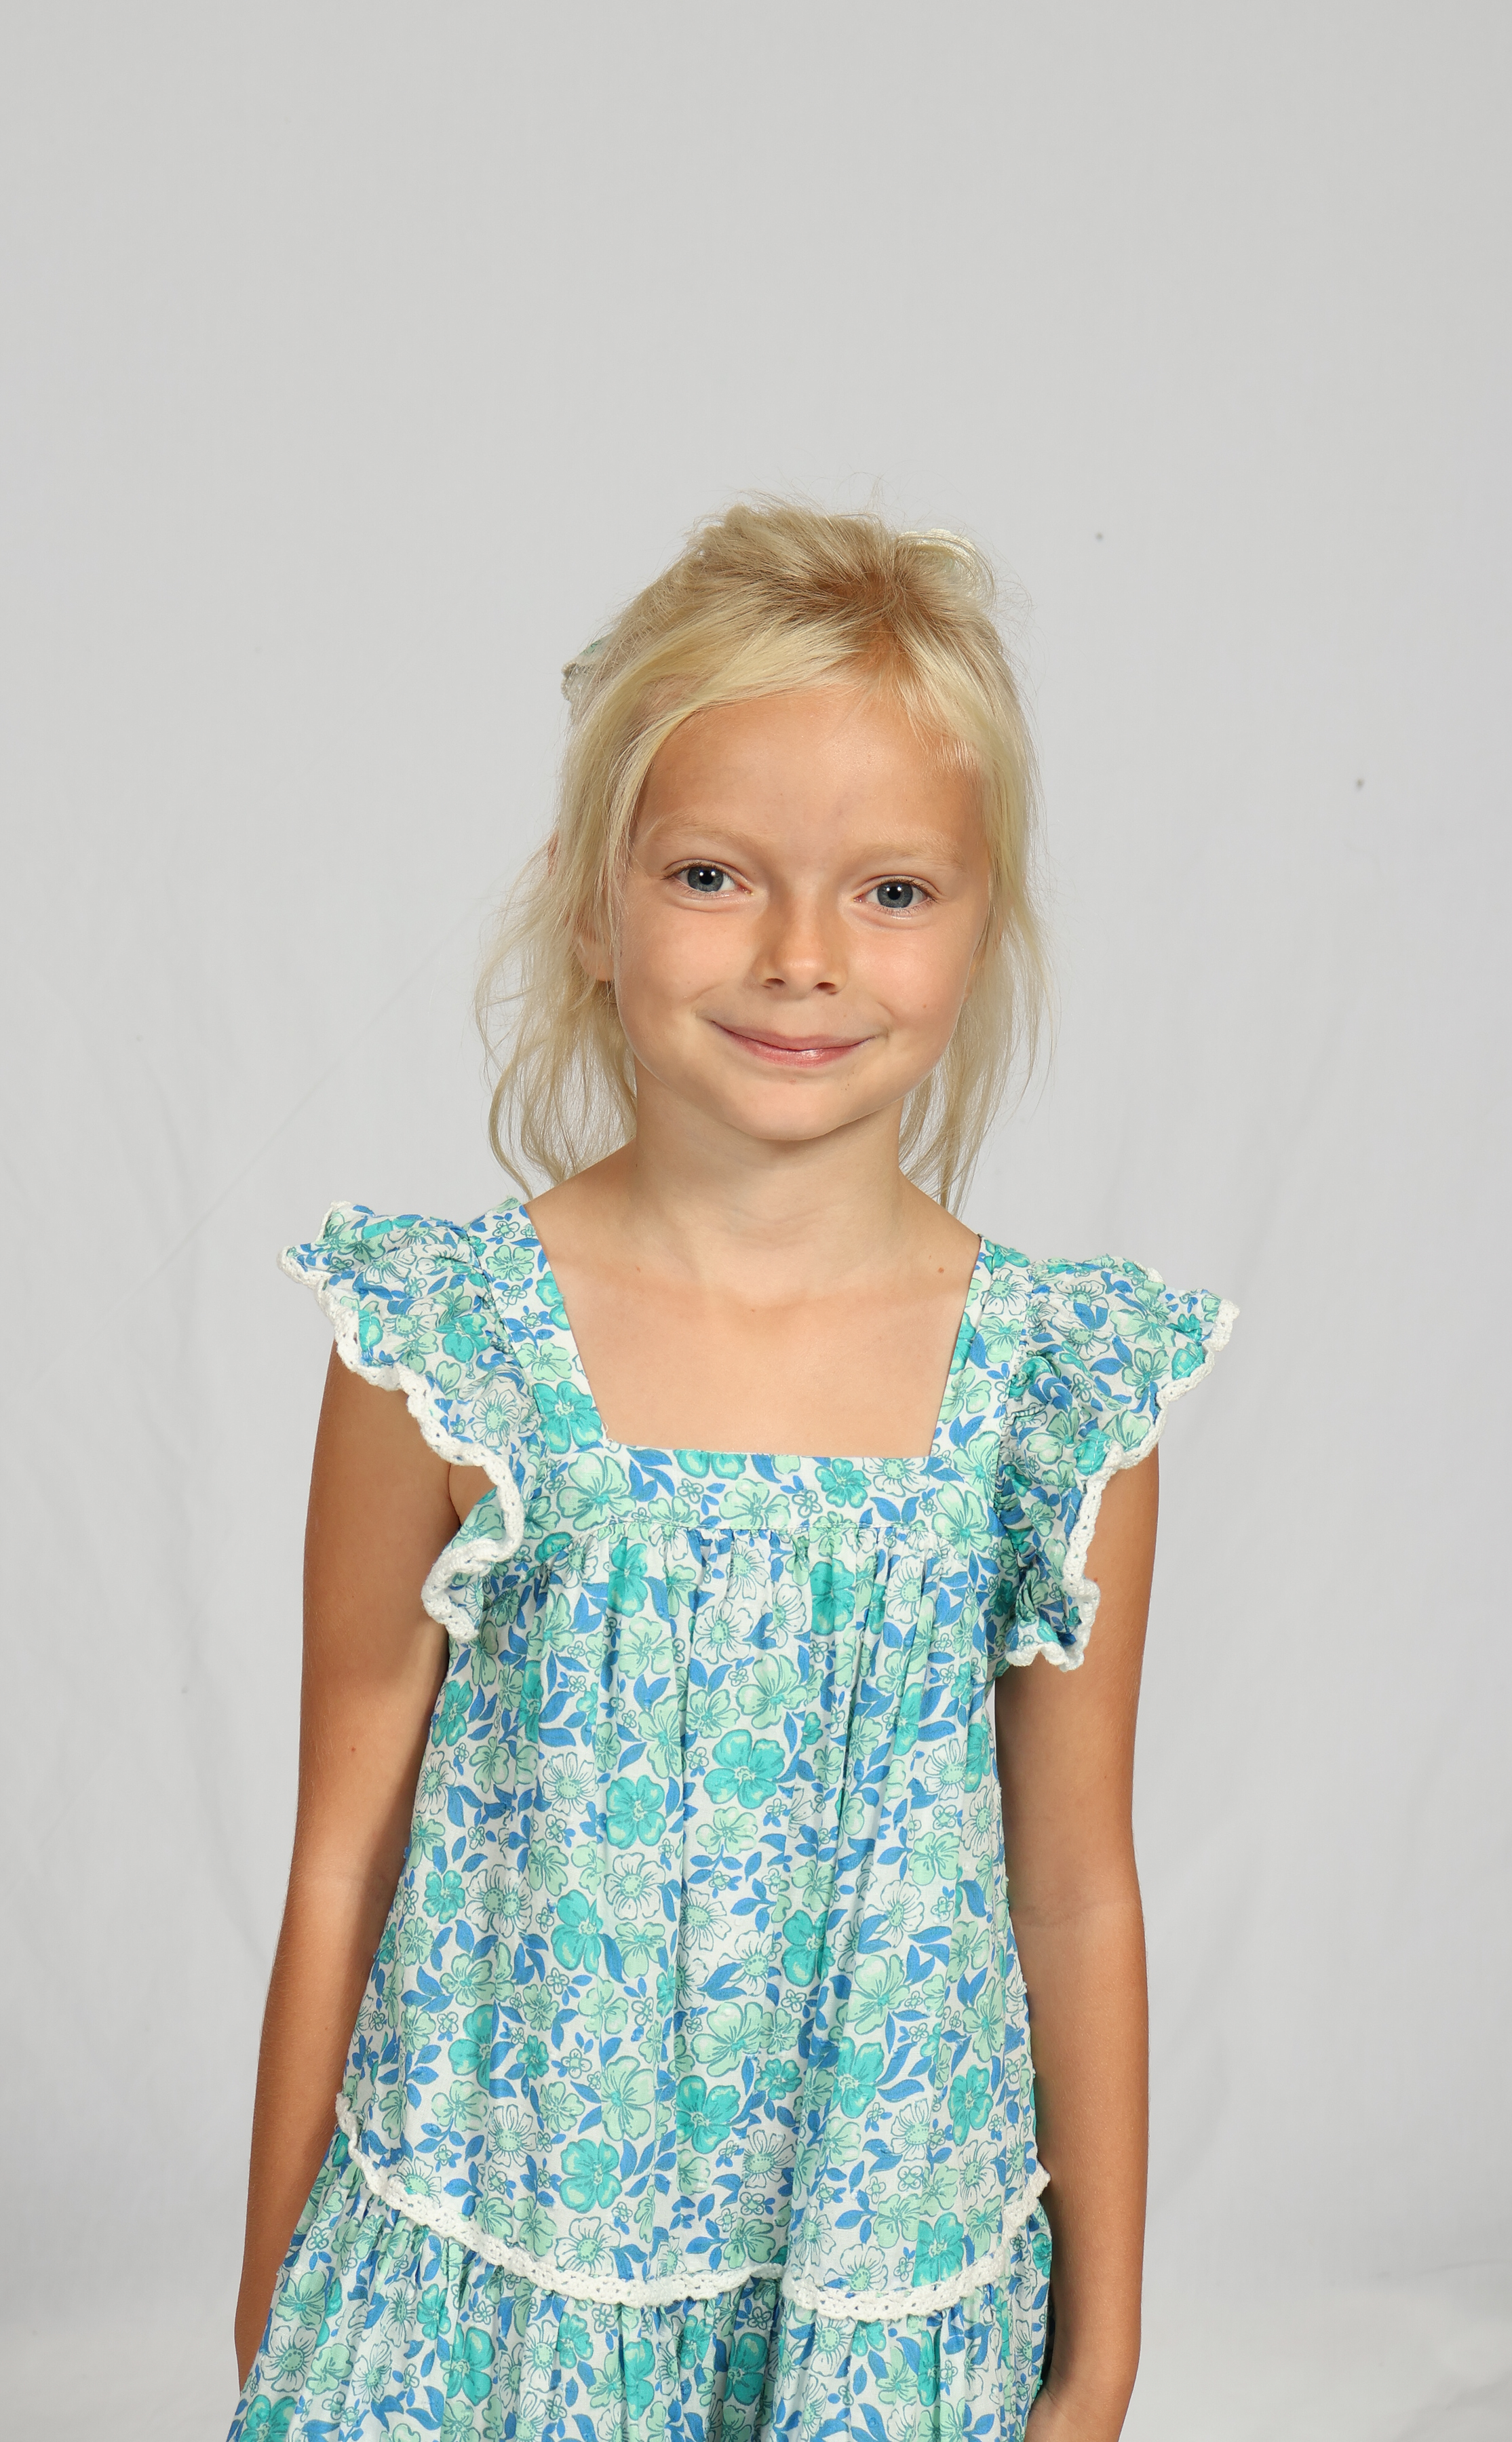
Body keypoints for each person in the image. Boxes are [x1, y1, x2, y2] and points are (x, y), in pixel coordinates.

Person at [230, 501, 1235, 2442]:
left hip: (878, 2280)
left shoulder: (1054, 1388)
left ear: (983, 931)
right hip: (489, 2281)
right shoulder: (447, 1352)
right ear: (589, 904)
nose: (800, 957)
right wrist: (280, 2301)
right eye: (712, 874)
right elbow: (343, 1848)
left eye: (892, 890)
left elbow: (1073, 1888)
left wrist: (1101, 2356)